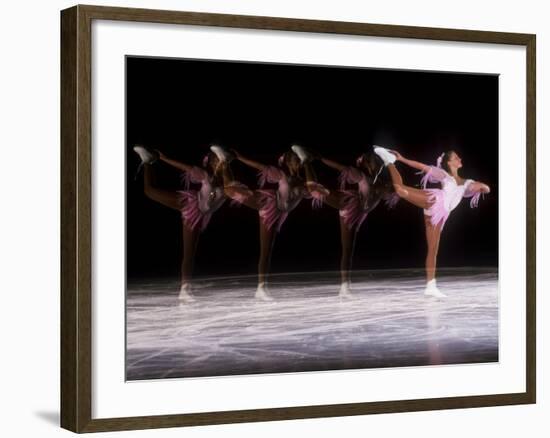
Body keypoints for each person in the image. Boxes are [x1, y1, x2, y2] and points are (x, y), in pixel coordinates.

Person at [211, 145, 327, 301]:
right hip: (268, 204)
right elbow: (262, 167)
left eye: (298, 160)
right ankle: (261, 288)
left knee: (267, 250)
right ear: (287, 162)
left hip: (279, 212)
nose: (296, 163)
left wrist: (309, 163)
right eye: (295, 160)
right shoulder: (282, 175)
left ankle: (261, 288)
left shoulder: (302, 181)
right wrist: (241, 158)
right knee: (231, 191)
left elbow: (313, 189)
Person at [373, 146, 491, 297]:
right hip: (435, 199)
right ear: (449, 163)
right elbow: (421, 166)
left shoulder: (467, 183)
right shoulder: (443, 175)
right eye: (455, 158)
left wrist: (482, 187)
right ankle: (389, 162)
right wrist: (402, 159)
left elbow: (484, 188)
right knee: (401, 191)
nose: (459, 159)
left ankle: (431, 286)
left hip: (440, 214)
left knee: (433, 249)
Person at [295, 146, 398, 297]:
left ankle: (344, 287)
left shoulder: (382, 184)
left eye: (381, 164)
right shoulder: (362, 176)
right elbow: (342, 168)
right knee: (315, 190)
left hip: (360, 213)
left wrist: (391, 164)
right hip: (349, 205)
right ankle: (306, 161)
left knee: (349, 249)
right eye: (377, 163)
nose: (379, 166)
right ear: (368, 164)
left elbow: (398, 189)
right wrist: (319, 158)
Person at [133, 145, 227, 303]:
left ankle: (185, 288)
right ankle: (148, 162)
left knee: (189, 253)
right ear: (210, 163)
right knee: (149, 191)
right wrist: (163, 158)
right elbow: (186, 168)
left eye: (219, 161)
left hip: (199, 216)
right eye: (215, 161)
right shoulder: (205, 175)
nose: (217, 163)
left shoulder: (228, 184)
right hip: (190, 203)